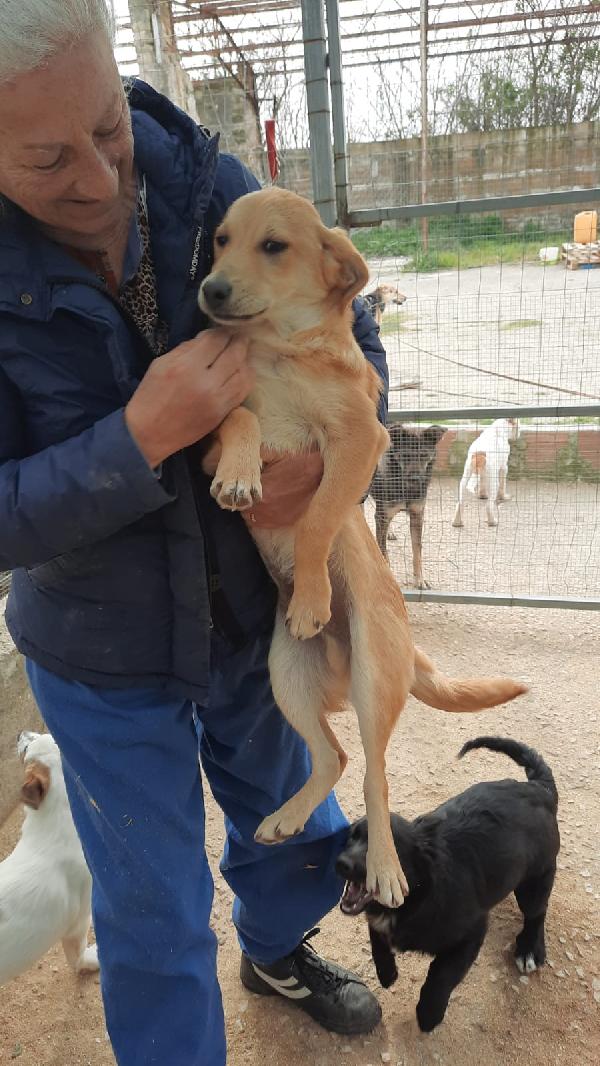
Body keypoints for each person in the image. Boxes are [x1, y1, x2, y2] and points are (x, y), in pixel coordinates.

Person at [0, 3, 390, 1064]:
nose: (96, 172)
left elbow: (357, 351)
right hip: (102, 646)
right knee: (152, 902)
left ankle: (276, 948)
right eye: (47, 156)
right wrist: (135, 441)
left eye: (107, 123)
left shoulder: (205, 183)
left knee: (289, 818)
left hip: (247, 608)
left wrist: (311, 479)